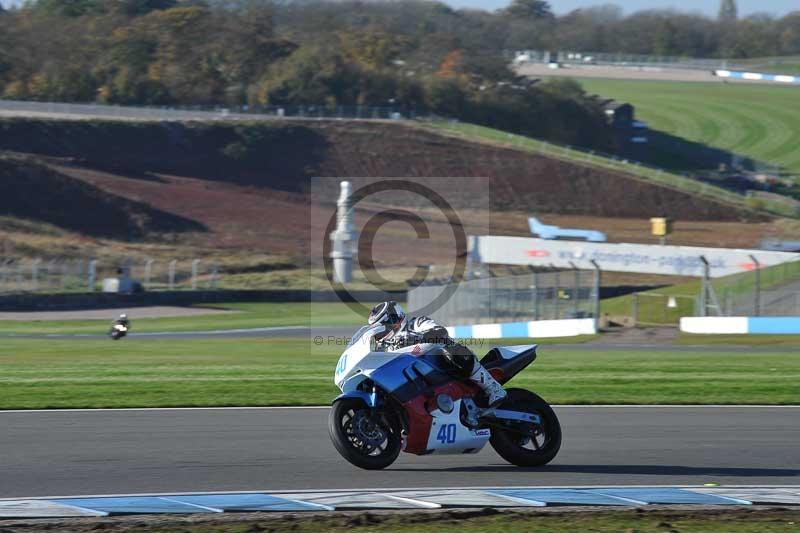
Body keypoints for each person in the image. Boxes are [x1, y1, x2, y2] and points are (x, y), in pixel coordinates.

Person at [367, 301, 507, 406]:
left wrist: (418, 338)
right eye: (377, 329)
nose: (381, 331)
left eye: (383, 326)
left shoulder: (417, 323)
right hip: (416, 380)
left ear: (394, 319)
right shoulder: (383, 347)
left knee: (450, 349)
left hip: (443, 366)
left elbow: (440, 332)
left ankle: (493, 388)